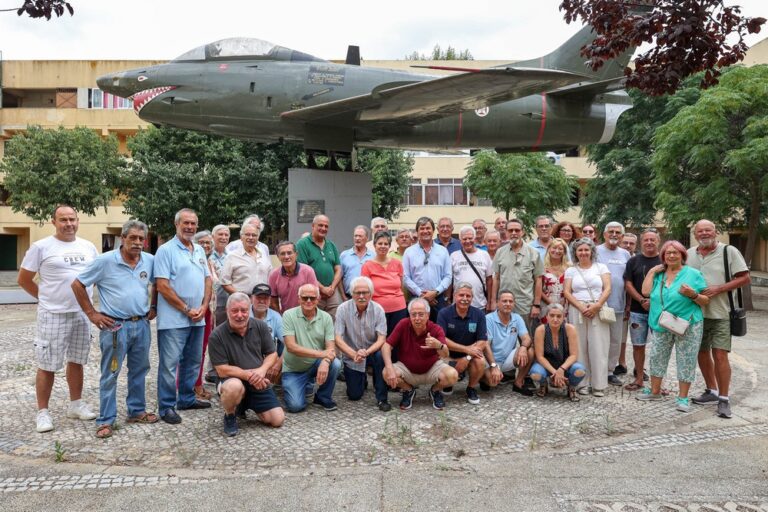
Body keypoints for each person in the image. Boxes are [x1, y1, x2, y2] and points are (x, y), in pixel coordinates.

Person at [71, 220, 157, 438]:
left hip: (141, 325)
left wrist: (154, 305)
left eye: (141, 239)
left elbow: (158, 283)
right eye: (133, 238)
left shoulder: (149, 260)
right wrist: (92, 313)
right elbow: (78, 284)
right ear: (123, 238)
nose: (137, 242)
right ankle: (106, 420)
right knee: (110, 373)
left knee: (139, 371)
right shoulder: (105, 261)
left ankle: (136, 411)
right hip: (115, 326)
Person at [18, 205, 99, 433]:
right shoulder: (41, 247)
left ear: (78, 220)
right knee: (47, 364)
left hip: (82, 314)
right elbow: (24, 280)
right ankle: (43, 413)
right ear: (53, 221)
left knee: (77, 360)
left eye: (72, 219)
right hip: (53, 315)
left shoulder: (88, 247)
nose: (69, 224)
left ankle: (76, 404)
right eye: (63, 220)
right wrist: (44, 298)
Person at [154, 208, 213, 424]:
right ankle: (167, 406)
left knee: (193, 361)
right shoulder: (165, 251)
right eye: (185, 223)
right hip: (174, 320)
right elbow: (162, 285)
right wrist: (187, 309)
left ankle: (187, 398)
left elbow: (208, 280)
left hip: (198, 318)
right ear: (176, 224)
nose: (189, 227)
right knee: (169, 365)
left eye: (193, 223)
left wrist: (204, 306)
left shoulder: (198, 249)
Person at [687, 220, 750, 418]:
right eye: (700, 231)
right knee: (701, 353)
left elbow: (745, 277)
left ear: (715, 232)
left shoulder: (728, 251)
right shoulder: (688, 254)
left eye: (708, 230)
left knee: (720, 355)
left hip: (721, 314)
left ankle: (724, 399)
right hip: (696, 314)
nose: (704, 233)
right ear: (696, 234)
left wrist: (718, 288)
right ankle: (711, 391)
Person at [637, 241, 709, 413]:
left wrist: (693, 294)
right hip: (662, 322)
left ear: (683, 255)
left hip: (688, 324)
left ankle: (683, 398)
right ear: (663, 256)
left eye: (675, 253)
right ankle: (655, 391)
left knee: (686, 359)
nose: (671, 256)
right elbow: (645, 292)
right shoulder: (658, 274)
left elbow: (705, 300)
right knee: (657, 356)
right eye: (668, 253)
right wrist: (653, 271)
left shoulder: (693, 274)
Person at [208, 292, 284, 436]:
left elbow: (272, 354)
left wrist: (262, 371)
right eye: (235, 311)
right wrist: (251, 375)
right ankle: (230, 415)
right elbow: (222, 370)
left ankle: (243, 404)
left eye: (244, 310)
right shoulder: (217, 336)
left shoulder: (260, 326)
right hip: (232, 379)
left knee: (277, 420)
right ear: (227, 311)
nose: (240, 315)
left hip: (257, 378)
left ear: (249, 310)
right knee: (234, 387)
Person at [382, 298, 458, 411]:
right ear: (410, 315)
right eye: (414, 315)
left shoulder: (435, 329)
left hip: (431, 369)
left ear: (428, 315)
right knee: (386, 372)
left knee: (452, 375)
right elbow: (386, 346)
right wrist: (389, 367)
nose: (417, 318)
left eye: (421, 314)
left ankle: (435, 391)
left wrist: (439, 346)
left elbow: (445, 353)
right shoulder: (403, 324)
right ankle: (408, 390)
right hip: (407, 369)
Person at [281, 283, 342, 412]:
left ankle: (322, 397)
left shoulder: (326, 318)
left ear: (318, 299)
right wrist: (322, 355)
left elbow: (331, 349)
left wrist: (325, 361)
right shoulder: (288, 315)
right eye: (305, 297)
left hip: (315, 364)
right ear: (298, 299)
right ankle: (305, 385)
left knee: (335, 364)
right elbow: (291, 347)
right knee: (295, 407)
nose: (308, 301)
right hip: (294, 370)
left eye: (312, 298)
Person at [563, 237, 611, 396]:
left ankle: (599, 385)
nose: (583, 253)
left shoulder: (601, 267)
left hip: (598, 308)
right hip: (578, 310)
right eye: (580, 250)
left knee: (599, 347)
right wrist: (581, 307)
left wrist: (597, 306)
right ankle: (581, 382)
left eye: (586, 250)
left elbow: (607, 288)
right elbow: (567, 292)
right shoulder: (571, 270)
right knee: (579, 347)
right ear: (575, 253)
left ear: (592, 251)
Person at [334, 276, 391, 411]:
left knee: (380, 356)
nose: (361, 296)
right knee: (354, 395)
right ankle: (362, 379)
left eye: (364, 292)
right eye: (357, 293)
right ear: (352, 294)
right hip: (352, 354)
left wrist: (367, 352)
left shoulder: (378, 310)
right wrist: (354, 354)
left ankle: (382, 398)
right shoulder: (342, 309)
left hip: (372, 352)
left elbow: (382, 339)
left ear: (370, 294)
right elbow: (337, 338)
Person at [438, 283, 497, 404]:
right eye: (461, 295)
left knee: (480, 361)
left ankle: (471, 388)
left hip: (470, 355)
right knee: (440, 362)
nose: (465, 299)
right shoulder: (444, 313)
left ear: (472, 298)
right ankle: (448, 383)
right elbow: (442, 339)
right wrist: (466, 350)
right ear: (454, 296)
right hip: (448, 354)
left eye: (468, 296)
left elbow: (482, 341)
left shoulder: (479, 314)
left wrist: (467, 357)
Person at [623, 229, 661, 391]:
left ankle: (658, 383)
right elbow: (628, 283)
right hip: (638, 311)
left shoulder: (665, 259)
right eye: (646, 240)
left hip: (660, 311)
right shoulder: (633, 261)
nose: (649, 242)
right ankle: (639, 379)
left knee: (660, 346)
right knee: (638, 345)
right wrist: (641, 299)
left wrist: (653, 301)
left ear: (658, 241)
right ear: (641, 242)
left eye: (652, 240)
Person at [490, 218, 544, 333]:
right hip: (504, 304)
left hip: (525, 305)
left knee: (526, 338)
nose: (514, 233)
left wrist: (536, 304)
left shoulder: (533, 253)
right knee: (504, 336)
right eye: (510, 230)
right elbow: (496, 278)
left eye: (517, 230)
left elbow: (538, 280)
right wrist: (494, 301)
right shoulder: (500, 252)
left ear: (522, 232)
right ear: (506, 232)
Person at [596, 222, 631, 386]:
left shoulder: (625, 254)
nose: (614, 235)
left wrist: (628, 304)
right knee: (598, 339)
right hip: (598, 305)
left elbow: (628, 280)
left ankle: (610, 371)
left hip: (618, 305)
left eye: (618, 232)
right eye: (611, 231)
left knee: (615, 341)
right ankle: (596, 369)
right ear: (604, 234)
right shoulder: (595, 251)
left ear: (622, 236)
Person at [529, 304, 586, 401]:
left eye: (559, 316)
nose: (555, 319)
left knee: (579, 371)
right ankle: (543, 385)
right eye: (552, 316)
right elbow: (540, 357)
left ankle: (571, 387)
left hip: (566, 365)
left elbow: (574, 355)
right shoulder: (540, 330)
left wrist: (562, 369)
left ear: (563, 317)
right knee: (535, 374)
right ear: (546, 317)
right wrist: (555, 372)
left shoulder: (570, 329)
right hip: (546, 365)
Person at [484, 291, 535, 395]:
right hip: (490, 360)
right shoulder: (488, 319)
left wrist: (523, 347)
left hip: (507, 359)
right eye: (504, 301)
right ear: (498, 303)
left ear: (514, 304)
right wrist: (493, 366)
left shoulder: (517, 318)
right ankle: (483, 379)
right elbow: (486, 345)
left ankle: (518, 382)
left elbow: (527, 338)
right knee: (493, 383)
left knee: (530, 351)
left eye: (510, 301)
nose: (507, 304)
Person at [403, 217, 452, 322]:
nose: (425, 231)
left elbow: (448, 276)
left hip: (437, 300)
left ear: (433, 231)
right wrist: (421, 294)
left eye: (428, 228)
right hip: (416, 298)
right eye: (422, 228)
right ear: (417, 231)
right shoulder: (409, 252)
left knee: (439, 331)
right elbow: (406, 277)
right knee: (417, 332)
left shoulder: (443, 251)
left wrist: (435, 292)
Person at [296, 214, 343, 321]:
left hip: (332, 293)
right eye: (320, 225)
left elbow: (338, 269)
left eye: (326, 226)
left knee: (334, 322)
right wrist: (322, 288)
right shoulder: (302, 244)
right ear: (313, 226)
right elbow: (304, 272)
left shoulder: (331, 245)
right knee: (314, 321)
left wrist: (332, 287)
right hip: (312, 293)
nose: (323, 228)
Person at [361, 231, 408, 335]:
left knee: (397, 342)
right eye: (380, 243)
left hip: (399, 309)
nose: (383, 246)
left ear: (390, 246)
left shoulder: (397, 264)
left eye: (386, 244)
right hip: (377, 310)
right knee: (379, 341)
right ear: (374, 245)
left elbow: (400, 287)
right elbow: (365, 291)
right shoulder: (367, 266)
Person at [193, 230, 217, 400]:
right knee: (192, 349)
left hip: (209, 309)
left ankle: (197, 383)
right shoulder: (194, 261)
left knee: (201, 349)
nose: (206, 245)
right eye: (202, 242)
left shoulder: (210, 262)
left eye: (208, 243)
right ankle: (191, 385)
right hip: (196, 308)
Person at [220, 223, 272, 297]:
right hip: (240, 302)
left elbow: (270, 277)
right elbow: (225, 282)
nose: (251, 237)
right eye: (247, 234)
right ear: (241, 237)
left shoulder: (264, 255)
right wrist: (242, 296)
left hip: (262, 299)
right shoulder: (232, 256)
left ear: (258, 238)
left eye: (254, 235)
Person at [269, 241, 319, 315]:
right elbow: (273, 301)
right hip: (285, 317)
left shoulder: (308, 271)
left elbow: (316, 296)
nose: (286, 257)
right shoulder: (274, 275)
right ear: (278, 256)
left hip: (307, 315)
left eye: (289, 253)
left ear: (296, 254)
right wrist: (280, 317)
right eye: (282, 254)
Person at [450, 226, 493, 311]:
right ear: (460, 241)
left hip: (480, 305)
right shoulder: (454, 256)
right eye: (464, 239)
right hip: (458, 305)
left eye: (470, 238)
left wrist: (489, 301)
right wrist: (447, 299)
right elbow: (450, 280)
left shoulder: (484, 255)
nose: (467, 241)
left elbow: (489, 280)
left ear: (475, 238)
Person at [251, 284, 285, 386]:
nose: (262, 301)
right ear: (251, 298)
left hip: (268, 356)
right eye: (258, 298)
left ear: (270, 300)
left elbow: (289, 344)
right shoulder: (243, 313)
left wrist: (278, 364)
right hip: (248, 357)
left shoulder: (276, 316)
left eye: (265, 298)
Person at [541, 238, 571, 322]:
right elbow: (538, 288)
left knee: (565, 331)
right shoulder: (541, 267)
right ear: (549, 249)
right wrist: (551, 304)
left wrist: (563, 303)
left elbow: (571, 288)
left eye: (560, 249)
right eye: (554, 248)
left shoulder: (570, 268)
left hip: (565, 304)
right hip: (546, 303)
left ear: (564, 252)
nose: (556, 251)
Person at [340, 225, 374, 299]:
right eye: (355, 236)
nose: (357, 238)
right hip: (348, 297)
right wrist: (343, 296)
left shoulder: (373, 256)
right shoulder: (344, 255)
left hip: (368, 298)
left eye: (360, 236)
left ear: (367, 238)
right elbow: (339, 278)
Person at [210, 224, 230, 326]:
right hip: (211, 304)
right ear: (213, 237)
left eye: (226, 235)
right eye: (220, 234)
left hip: (228, 303)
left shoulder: (231, 256)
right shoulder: (207, 255)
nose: (223, 237)